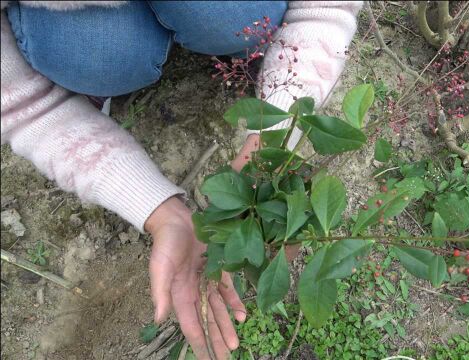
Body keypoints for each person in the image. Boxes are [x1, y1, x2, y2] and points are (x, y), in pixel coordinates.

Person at [0, 1, 362, 359]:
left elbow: (326, 8)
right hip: (77, 25)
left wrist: (273, 136)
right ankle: (97, 74)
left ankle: (252, 47)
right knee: (95, 51)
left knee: (230, 13)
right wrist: (157, 209)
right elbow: (20, 105)